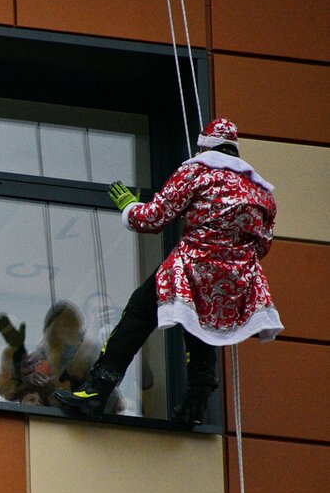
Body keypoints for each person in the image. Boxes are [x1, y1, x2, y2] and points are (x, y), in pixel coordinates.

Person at [55, 118, 283, 423]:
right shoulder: (261, 191)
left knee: (139, 313)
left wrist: (130, 207)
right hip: (234, 279)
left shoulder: (196, 173)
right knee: (201, 332)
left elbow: (153, 219)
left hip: (192, 266)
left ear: (205, 146)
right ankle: (195, 406)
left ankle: (97, 390)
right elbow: (263, 246)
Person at [0, 301, 123, 412]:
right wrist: (27, 380)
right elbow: (7, 391)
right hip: (45, 421)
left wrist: (54, 389)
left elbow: (112, 402)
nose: (58, 335)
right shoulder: (40, 355)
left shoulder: (87, 352)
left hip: (82, 423)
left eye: (65, 328)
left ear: (75, 331)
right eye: (54, 331)